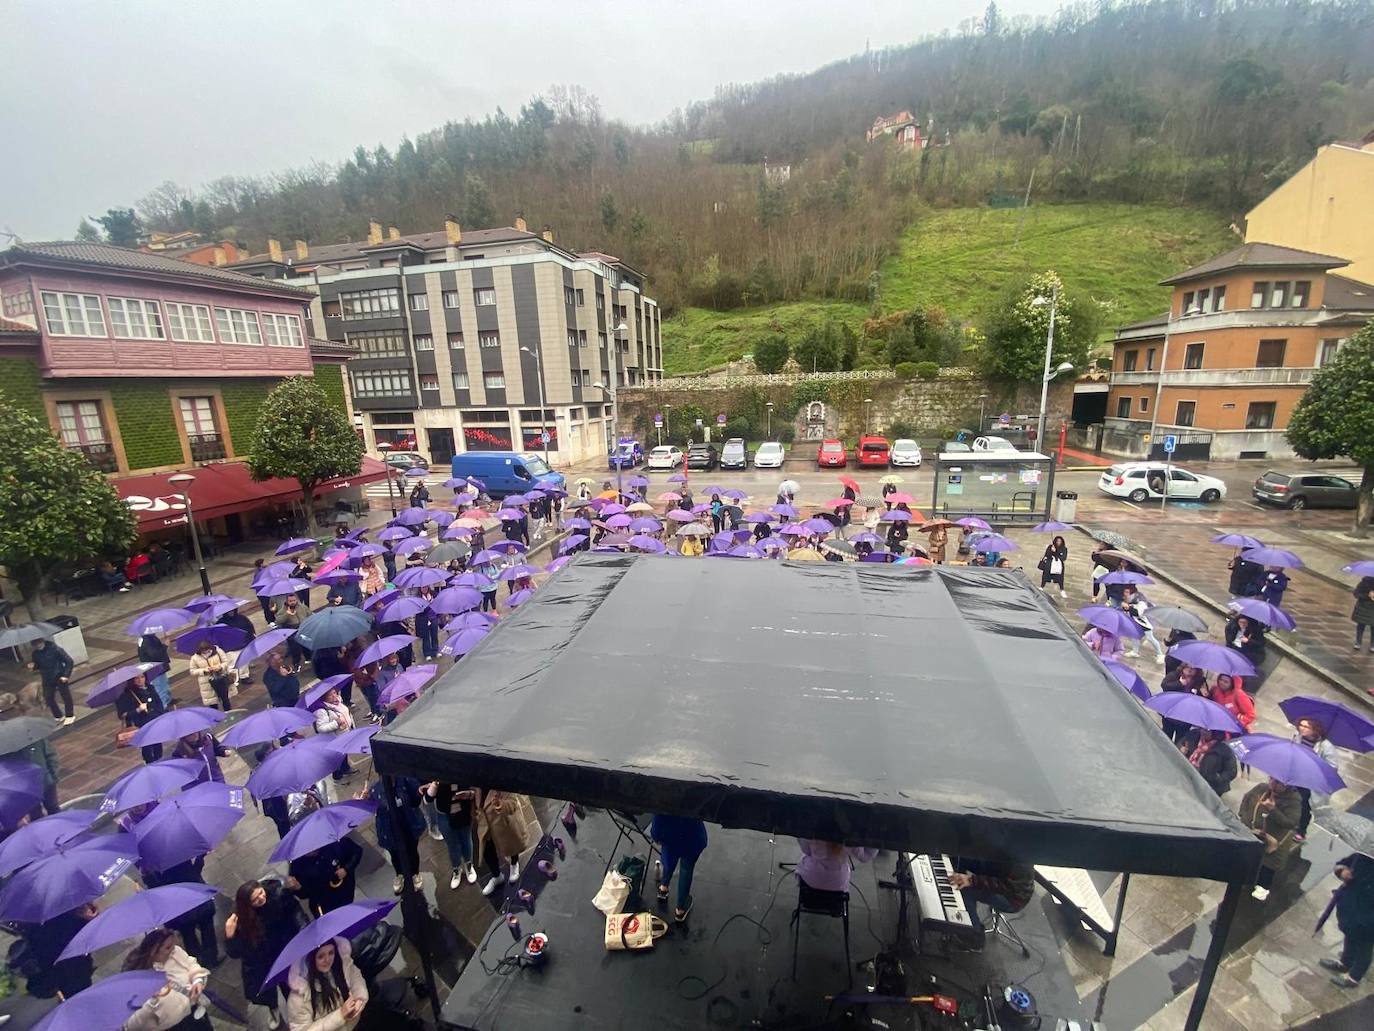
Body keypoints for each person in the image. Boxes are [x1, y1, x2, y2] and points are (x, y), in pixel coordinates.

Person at [225, 879, 309, 1029]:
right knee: (268, 992)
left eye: (261, 893)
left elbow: (296, 913)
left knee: (291, 986)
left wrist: (305, 933)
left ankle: (297, 1012)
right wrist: (230, 936)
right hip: (262, 960)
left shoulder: (279, 896)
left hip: (285, 952)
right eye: (255, 899)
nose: (261, 899)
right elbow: (235, 952)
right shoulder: (239, 920)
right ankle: (274, 1009)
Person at [122, 928, 212, 1031]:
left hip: (196, 1011)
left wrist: (198, 980)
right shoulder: (136, 980)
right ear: (152, 951)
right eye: (168, 947)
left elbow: (191, 963)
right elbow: (133, 1025)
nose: (173, 949)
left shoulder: (175, 952)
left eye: (173, 944)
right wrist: (151, 1003)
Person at [143, 854, 221, 968]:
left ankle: (196, 963)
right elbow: (195, 874)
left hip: (178, 909)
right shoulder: (180, 856)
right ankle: (211, 959)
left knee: (188, 935)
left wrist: (145, 875)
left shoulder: (152, 865)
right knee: (207, 928)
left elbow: (153, 887)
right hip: (196, 900)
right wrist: (200, 857)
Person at [1238, 777, 1301, 901]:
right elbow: (1247, 799)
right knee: (1249, 859)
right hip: (1253, 834)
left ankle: (1260, 891)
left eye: (1278, 782)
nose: (1273, 783)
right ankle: (1246, 880)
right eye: (1272, 779)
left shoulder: (1293, 801)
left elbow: (1291, 823)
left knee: (1266, 867)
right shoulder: (1261, 788)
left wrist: (1272, 810)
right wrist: (1243, 815)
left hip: (1273, 841)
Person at [284, 938, 369, 1031]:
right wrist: (340, 1015)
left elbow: (357, 981)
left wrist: (359, 999)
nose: (327, 959)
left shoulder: (344, 967)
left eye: (331, 953)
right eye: (321, 956)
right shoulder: (300, 995)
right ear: (310, 960)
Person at [1320, 852, 1374, 988]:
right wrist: (1342, 871)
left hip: (1369, 918)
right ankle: (1345, 963)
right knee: (1350, 936)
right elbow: (1342, 863)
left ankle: (1354, 978)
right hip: (1351, 908)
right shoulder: (1363, 855)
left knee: (1364, 946)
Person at [474, 787, 540, 896]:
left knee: (511, 844)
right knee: (487, 851)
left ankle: (514, 864)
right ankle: (497, 876)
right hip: (485, 824)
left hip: (503, 823)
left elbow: (513, 804)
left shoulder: (502, 780)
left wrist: (501, 805)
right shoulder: (475, 784)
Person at [366, 776, 426, 895]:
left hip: (408, 826)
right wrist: (364, 800)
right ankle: (399, 874)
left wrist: (418, 791)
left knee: (412, 851)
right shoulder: (375, 789)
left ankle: (415, 873)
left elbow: (415, 801)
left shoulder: (406, 781)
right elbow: (372, 810)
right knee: (395, 855)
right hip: (389, 831)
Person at [949, 859, 1035, 937]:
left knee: (966, 890)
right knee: (961, 860)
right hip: (998, 875)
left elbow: (1007, 887)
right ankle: (953, 920)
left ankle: (974, 937)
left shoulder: (1020, 857)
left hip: (1013, 898)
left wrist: (971, 880)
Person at [651, 814, 708, 923]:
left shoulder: (665, 797)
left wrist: (656, 836)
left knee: (669, 861)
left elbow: (657, 818)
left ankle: (663, 887)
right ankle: (680, 909)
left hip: (669, 836)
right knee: (686, 869)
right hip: (693, 837)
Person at [288, 837, 363, 915]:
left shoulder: (333, 843)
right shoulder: (297, 865)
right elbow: (305, 894)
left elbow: (356, 851)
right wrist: (298, 888)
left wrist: (346, 869)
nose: (313, 850)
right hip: (323, 905)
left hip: (345, 893)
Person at [1292, 717, 1336, 842]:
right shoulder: (1297, 736)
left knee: (1305, 806)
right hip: (1296, 774)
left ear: (1315, 729)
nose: (1302, 728)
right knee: (1290, 799)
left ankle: (1301, 830)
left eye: (1306, 726)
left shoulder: (1326, 746)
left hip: (1310, 781)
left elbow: (1332, 767)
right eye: (1301, 725)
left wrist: (1316, 762)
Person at [428, 782, 478, 888]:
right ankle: (456, 869)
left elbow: (474, 790)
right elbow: (428, 799)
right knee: (452, 844)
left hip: (463, 810)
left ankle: (469, 866)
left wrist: (469, 794)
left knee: (466, 839)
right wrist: (434, 784)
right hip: (444, 814)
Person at [116, 669, 167, 764]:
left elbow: (158, 702)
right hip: (142, 724)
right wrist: (138, 710)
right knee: (147, 745)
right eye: (137, 678)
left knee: (157, 743)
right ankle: (149, 763)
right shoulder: (128, 694)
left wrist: (161, 715)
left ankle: (159, 761)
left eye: (142, 677)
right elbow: (123, 714)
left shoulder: (150, 688)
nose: (140, 680)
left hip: (154, 721)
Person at [795, 838, 878, 894]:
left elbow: (806, 851)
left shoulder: (812, 829)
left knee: (805, 859)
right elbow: (866, 857)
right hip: (838, 885)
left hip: (809, 880)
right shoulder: (850, 837)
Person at [313, 684, 355, 781]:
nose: (334, 696)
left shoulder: (339, 702)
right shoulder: (321, 711)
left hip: (345, 733)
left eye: (335, 693)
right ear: (324, 698)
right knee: (336, 757)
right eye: (330, 695)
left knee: (344, 753)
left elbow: (347, 714)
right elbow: (321, 728)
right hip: (336, 737)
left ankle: (346, 768)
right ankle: (337, 777)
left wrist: (351, 725)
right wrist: (336, 723)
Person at [28, 637, 74, 725]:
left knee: (65, 695)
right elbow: (38, 665)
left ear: (42, 641)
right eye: (35, 645)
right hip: (46, 677)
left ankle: (70, 715)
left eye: (38, 643)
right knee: (48, 697)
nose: (37, 646)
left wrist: (66, 675)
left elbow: (69, 661)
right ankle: (58, 715)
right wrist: (33, 667)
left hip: (59, 675)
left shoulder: (55, 649)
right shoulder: (35, 654)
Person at [1179, 728, 1238, 796]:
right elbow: (1180, 743)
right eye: (1202, 729)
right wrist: (1181, 748)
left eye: (1207, 730)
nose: (1203, 732)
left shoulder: (1225, 749)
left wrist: (1218, 778)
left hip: (1211, 786)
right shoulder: (1194, 735)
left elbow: (1232, 771)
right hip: (1188, 777)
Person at [1159, 663, 1207, 742]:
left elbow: (1202, 700)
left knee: (1180, 741)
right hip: (1171, 714)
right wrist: (1180, 684)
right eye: (1188, 667)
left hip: (1185, 718)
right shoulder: (1174, 675)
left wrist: (1204, 694)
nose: (1190, 669)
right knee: (1165, 739)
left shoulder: (1200, 681)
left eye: (1193, 668)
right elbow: (1165, 686)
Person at [17, 734, 61, 817]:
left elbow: (50, 755)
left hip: (45, 783)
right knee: (35, 814)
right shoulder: (11, 749)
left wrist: (53, 776)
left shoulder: (37, 739)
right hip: (28, 788)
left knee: (53, 808)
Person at [1121, 586, 1165, 664]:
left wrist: (1128, 608)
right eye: (1125, 592)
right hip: (1134, 623)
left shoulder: (1141, 602)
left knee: (1150, 638)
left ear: (1133, 593)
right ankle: (1135, 651)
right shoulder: (1128, 600)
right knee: (1134, 637)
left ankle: (1160, 654)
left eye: (1127, 592)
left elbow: (1139, 614)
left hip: (1144, 624)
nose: (1125, 594)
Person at [189, 639, 236, 711]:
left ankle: (229, 713)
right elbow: (192, 671)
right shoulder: (194, 658)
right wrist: (204, 670)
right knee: (212, 702)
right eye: (203, 651)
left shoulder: (218, 651)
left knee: (225, 699)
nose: (206, 653)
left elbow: (226, 662)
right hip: (207, 683)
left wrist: (220, 667)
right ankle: (215, 717)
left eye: (207, 650)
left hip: (221, 678)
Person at [218, 606, 257, 684]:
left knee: (244, 662)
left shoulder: (242, 618)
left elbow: (250, 628)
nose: (231, 612)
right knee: (232, 665)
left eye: (232, 610)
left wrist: (251, 638)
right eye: (229, 611)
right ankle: (234, 680)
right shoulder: (221, 623)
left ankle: (244, 676)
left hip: (243, 644)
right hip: (230, 648)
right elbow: (218, 636)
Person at [138, 633, 175, 709]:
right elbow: (154, 655)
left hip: (157, 668)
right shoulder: (148, 641)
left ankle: (167, 701)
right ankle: (163, 707)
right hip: (155, 669)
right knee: (160, 688)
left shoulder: (147, 638)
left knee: (164, 684)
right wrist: (165, 645)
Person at [1353, 576, 1374, 652]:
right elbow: (1356, 593)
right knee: (1361, 626)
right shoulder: (1364, 583)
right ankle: (1358, 642)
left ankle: (1372, 645)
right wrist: (1368, 596)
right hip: (1363, 608)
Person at [253, 559, 277, 625]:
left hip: (266, 591)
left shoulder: (264, 570)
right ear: (261, 564)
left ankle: (273, 619)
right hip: (263, 593)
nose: (267, 562)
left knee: (270, 605)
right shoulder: (259, 573)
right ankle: (270, 621)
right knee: (266, 607)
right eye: (265, 562)